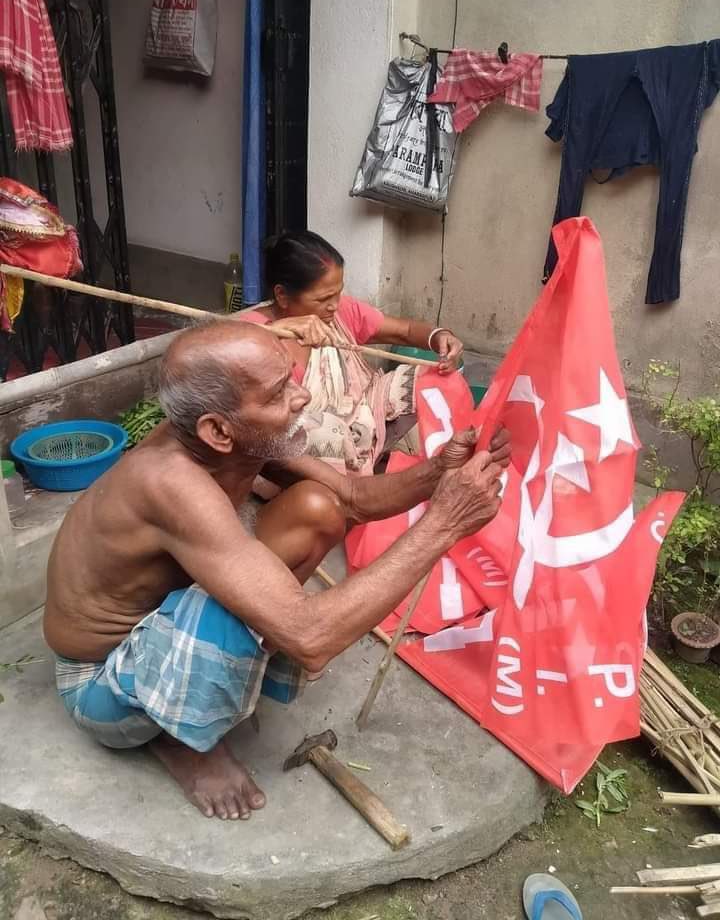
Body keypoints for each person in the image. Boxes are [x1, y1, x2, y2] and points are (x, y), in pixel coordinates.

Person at [44, 320, 508, 822]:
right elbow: (311, 635)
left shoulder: (243, 437)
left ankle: (203, 687)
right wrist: (444, 525)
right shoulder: (170, 481)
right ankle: (179, 740)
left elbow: (353, 497)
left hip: (157, 624)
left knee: (318, 509)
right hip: (101, 684)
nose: (303, 396)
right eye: (278, 392)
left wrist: (439, 471)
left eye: (290, 378)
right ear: (217, 430)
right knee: (232, 603)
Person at [242, 230, 465, 476]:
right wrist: (273, 332)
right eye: (324, 298)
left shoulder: (341, 313)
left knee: (436, 380)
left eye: (338, 293)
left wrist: (440, 337)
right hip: (301, 451)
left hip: (363, 420)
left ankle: (421, 464)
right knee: (327, 434)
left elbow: (406, 331)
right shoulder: (251, 334)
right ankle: (352, 493)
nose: (335, 305)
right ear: (282, 295)